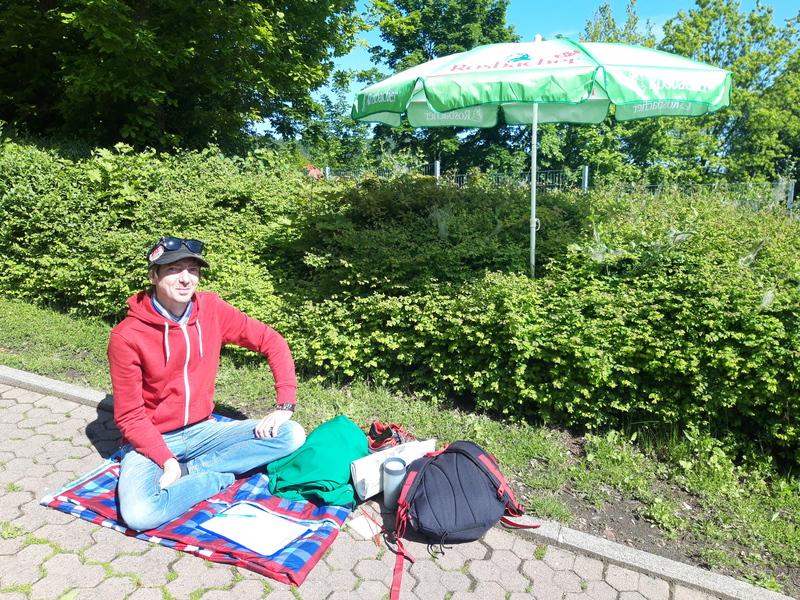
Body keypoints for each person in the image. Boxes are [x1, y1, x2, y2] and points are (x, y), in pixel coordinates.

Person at [107, 236, 305, 531]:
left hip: (203, 430)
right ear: (153, 276)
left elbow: (271, 340)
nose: (185, 279)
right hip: (152, 439)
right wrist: (165, 459)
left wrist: (285, 403)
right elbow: (130, 417)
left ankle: (193, 469)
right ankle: (217, 477)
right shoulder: (127, 336)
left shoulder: (211, 308)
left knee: (291, 434)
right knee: (140, 514)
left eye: (193, 270)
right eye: (174, 269)